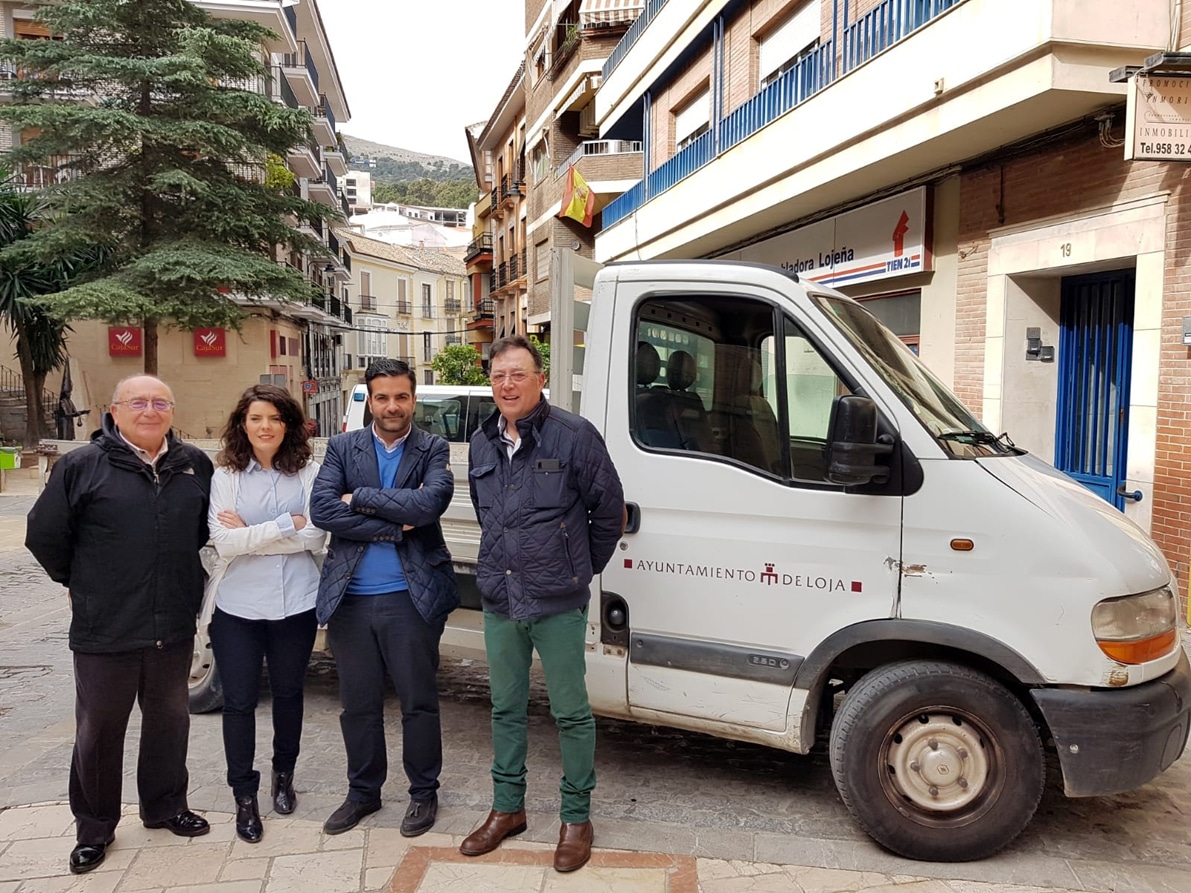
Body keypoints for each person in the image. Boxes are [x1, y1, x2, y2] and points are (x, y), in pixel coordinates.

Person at [25, 375, 214, 875]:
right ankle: (94, 827)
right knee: (99, 730)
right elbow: (44, 535)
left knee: (170, 722)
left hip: (171, 623)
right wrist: (81, 583)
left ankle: (166, 806)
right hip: (104, 627)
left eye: (160, 402)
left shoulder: (194, 464)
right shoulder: (82, 466)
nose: (150, 410)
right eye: (138, 402)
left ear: (172, 410)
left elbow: (202, 536)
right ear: (114, 409)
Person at [461, 335, 624, 873]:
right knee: (505, 708)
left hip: (557, 601)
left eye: (517, 374)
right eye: (498, 376)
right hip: (501, 598)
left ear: (539, 379)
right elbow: (492, 518)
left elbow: (609, 515)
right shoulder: (482, 442)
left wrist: (578, 570)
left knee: (570, 713)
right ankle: (508, 809)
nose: (506, 385)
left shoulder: (574, 437)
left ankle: (576, 817)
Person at [311, 358, 458, 837]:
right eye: (382, 397)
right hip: (350, 598)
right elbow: (323, 509)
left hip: (411, 598)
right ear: (369, 400)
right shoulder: (342, 447)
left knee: (418, 701)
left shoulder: (433, 447)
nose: (392, 406)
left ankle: (422, 793)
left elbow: (430, 503)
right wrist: (396, 524)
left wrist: (361, 499)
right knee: (358, 704)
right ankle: (363, 793)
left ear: (414, 399)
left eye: (401, 396)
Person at [204, 385, 327, 843]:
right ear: (243, 424)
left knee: (290, 694)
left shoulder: (309, 473)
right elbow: (223, 541)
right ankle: (243, 796)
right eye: (256, 418)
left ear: (289, 425)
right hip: (237, 606)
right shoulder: (226, 476)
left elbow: (316, 537)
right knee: (238, 702)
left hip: (296, 601)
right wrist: (284, 525)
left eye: (275, 418)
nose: (265, 427)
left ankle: (283, 776)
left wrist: (254, 532)